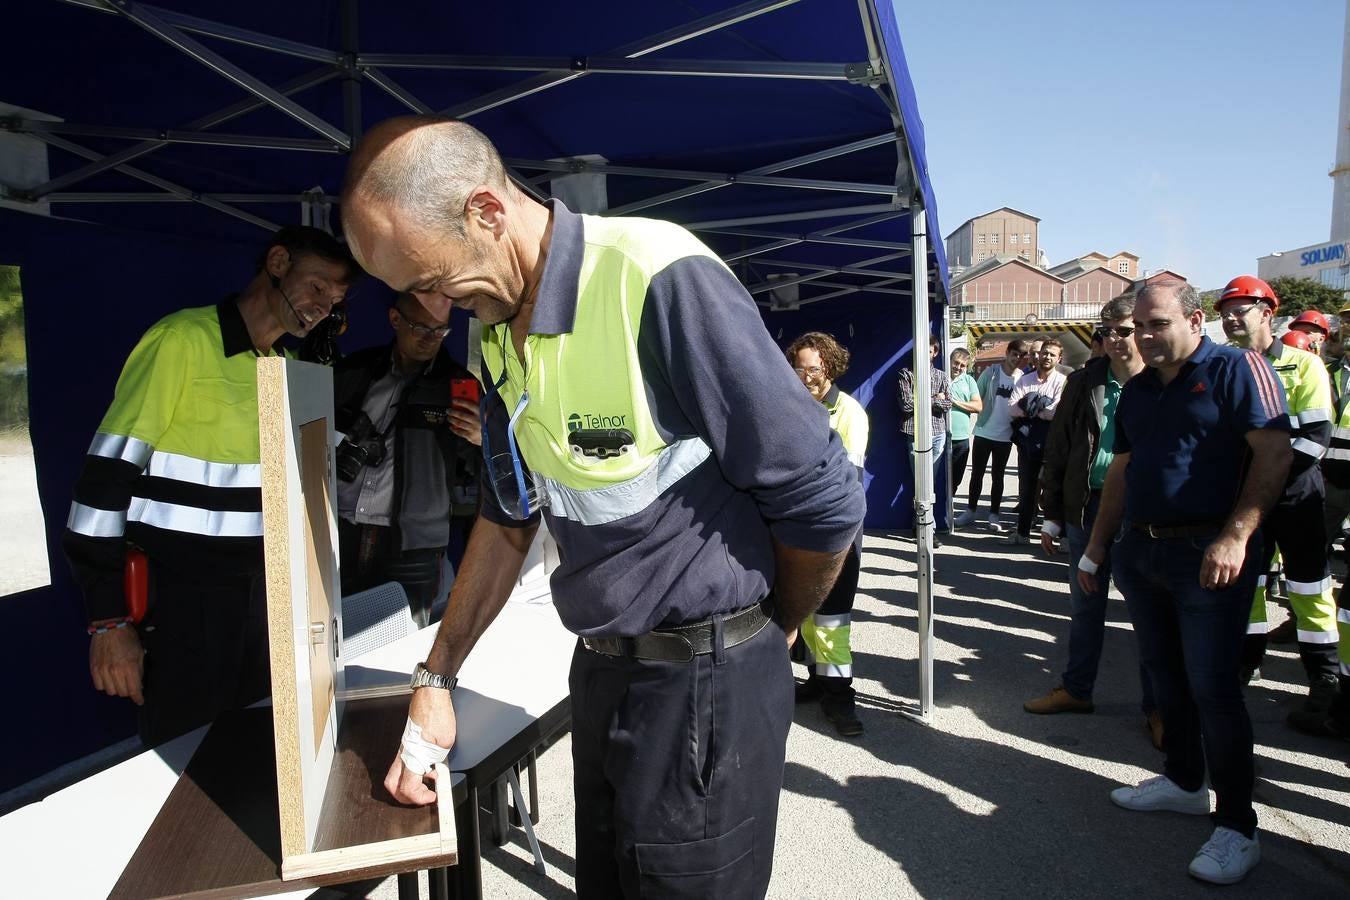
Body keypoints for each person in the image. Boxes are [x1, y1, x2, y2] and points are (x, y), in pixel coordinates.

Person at [341, 116, 865, 898]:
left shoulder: (654, 276)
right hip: (602, 674)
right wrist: (436, 675)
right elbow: (508, 510)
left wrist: (766, 635)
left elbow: (822, 501)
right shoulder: (492, 333)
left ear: (487, 211)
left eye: (428, 279)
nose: (432, 307)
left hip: (706, 684)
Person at [63, 226, 359, 745]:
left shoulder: (285, 367)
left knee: (250, 766)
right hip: (183, 610)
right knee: (185, 774)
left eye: (334, 300)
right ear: (278, 262)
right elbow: (101, 484)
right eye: (317, 287)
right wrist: (107, 621)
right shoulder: (182, 341)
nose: (322, 307)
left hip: (263, 610)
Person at [1080, 280, 1290, 885]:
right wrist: (1097, 548)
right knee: (1163, 674)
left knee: (1214, 690)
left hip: (1210, 555)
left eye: (1157, 324)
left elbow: (1274, 455)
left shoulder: (1236, 368)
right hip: (1142, 554)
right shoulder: (1139, 389)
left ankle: (1237, 826)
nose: (1144, 336)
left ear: (1196, 320)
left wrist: (1237, 535)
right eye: (1137, 326)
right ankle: (1183, 780)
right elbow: (1122, 468)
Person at [1025, 299, 1158, 747]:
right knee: (1085, 609)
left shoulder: (1163, 381)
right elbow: (1059, 449)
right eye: (1109, 332)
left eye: (1126, 330)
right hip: (1086, 506)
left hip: (1144, 512)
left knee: (1147, 615)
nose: (1116, 340)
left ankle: (1159, 707)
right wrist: (1052, 516)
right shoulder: (1084, 382)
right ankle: (1077, 690)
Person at [1216, 276, 1344, 731]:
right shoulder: (1225, 366)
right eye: (1225, 310)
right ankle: (1247, 661)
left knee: (1308, 585)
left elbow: (1316, 438)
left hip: (1296, 496)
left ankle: (1323, 675)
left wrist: (1265, 480)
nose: (1231, 317)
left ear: (1268, 313)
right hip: (1246, 498)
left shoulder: (1303, 365)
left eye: (1241, 308)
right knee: (1246, 584)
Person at [334, 292, 483, 628]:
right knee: (327, 639)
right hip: (339, 531)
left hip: (414, 545)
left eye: (440, 330)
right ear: (395, 319)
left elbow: (486, 472)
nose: (431, 338)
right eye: (420, 327)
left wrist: (482, 439)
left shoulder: (458, 385)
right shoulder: (354, 371)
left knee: (398, 647)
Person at [786, 332, 869, 736]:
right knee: (805, 615)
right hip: (796, 533)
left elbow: (844, 484)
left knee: (832, 622)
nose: (805, 377)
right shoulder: (790, 406)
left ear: (830, 369)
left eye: (813, 369)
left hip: (837, 536)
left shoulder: (849, 411)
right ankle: (819, 682)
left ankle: (840, 698)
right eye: (798, 368)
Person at [956, 339, 1028, 532]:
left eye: (1021, 356)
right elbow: (976, 397)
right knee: (977, 474)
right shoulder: (991, 372)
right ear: (1008, 353)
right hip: (984, 431)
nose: (1017, 359)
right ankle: (970, 511)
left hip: (1006, 436)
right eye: (1014, 354)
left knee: (998, 476)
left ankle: (993, 514)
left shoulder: (1021, 378)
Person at [1006, 339, 1066, 545]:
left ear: (1059, 358)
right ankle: (1022, 534)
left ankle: (1062, 537)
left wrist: (1030, 403)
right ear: (1039, 355)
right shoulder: (1025, 379)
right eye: (1045, 353)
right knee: (1028, 490)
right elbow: (1012, 408)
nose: (1047, 357)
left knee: (1056, 489)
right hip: (1027, 443)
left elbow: (1056, 412)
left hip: (1053, 443)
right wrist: (1041, 404)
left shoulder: (1062, 381)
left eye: (1052, 354)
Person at [897, 335, 951, 542]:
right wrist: (934, 399)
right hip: (914, 433)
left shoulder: (941, 375)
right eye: (922, 350)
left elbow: (948, 404)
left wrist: (927, 400)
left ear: (935, 353)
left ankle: (924, 526)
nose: (925, 354)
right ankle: (926, 529)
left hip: (937, 433)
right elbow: (906, 405)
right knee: (921, 482)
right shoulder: (906, 374)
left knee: (930, 482)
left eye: (929, 351)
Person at [948, 347, 981, 495]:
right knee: (938, 480)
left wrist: (954, 402)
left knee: (955, 480)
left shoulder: (969, 381)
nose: (958, 367)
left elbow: (978, 406)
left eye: (962, 365)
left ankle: (948, 513)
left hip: (961, 441)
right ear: (950, 361)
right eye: (956, 363)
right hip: (941, 438)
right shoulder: (941, 377)